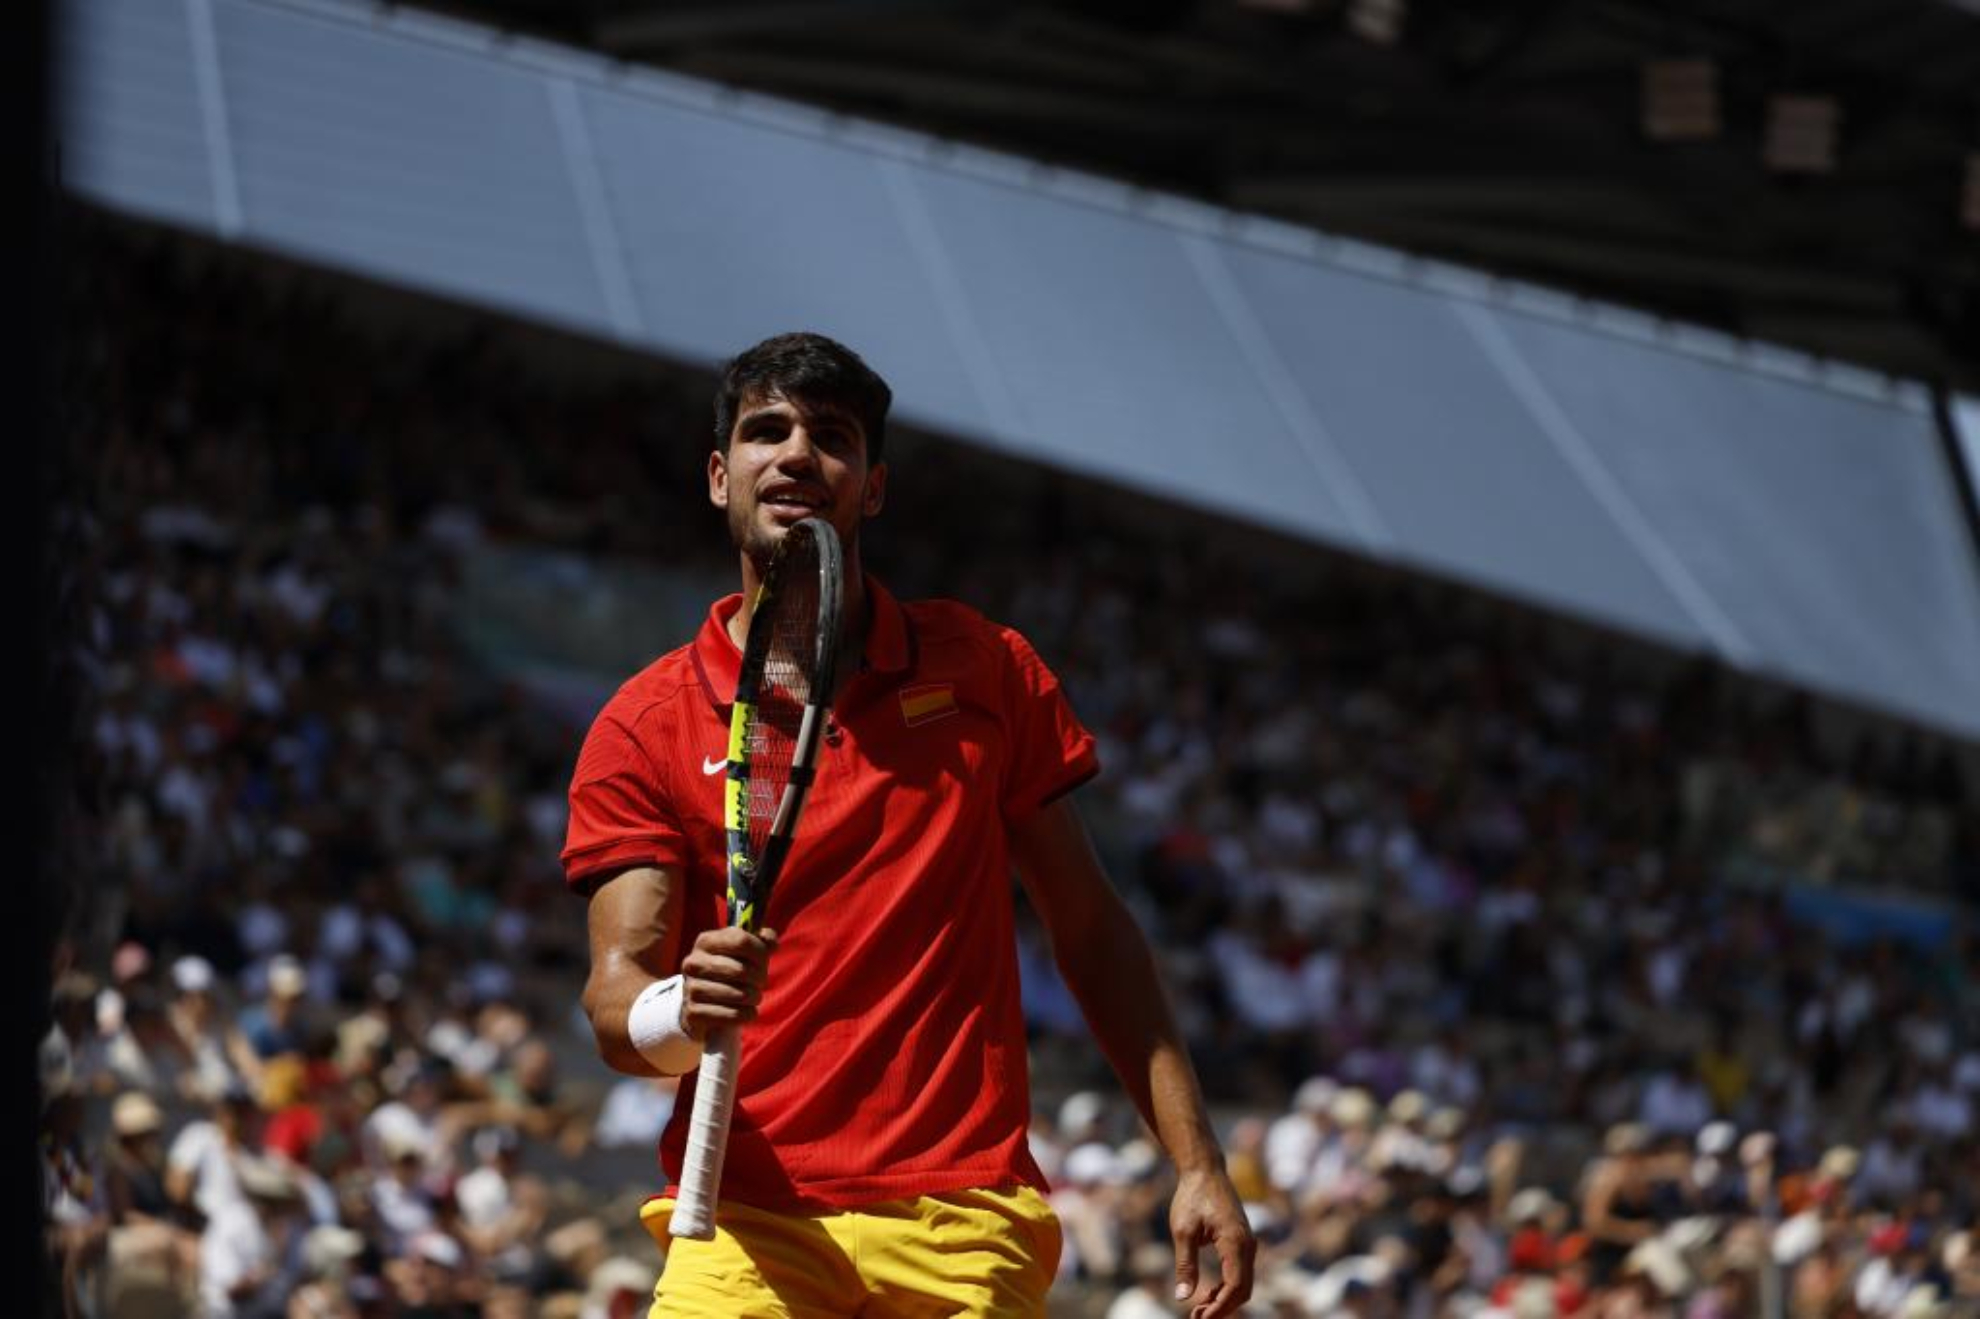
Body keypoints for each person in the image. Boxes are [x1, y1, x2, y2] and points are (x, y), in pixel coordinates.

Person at [566, 333, 1255, 1318]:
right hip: (743, 1225)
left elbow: (1091, 929)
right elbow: (614, 1005)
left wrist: (1197, 1162)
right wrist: (681, 1006)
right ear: (721, 478)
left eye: (831, 437)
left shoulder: (986, 671)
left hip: (964, 1216)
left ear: (873, 487)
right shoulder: (646, 724)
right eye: (767, 432)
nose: (798, 454)